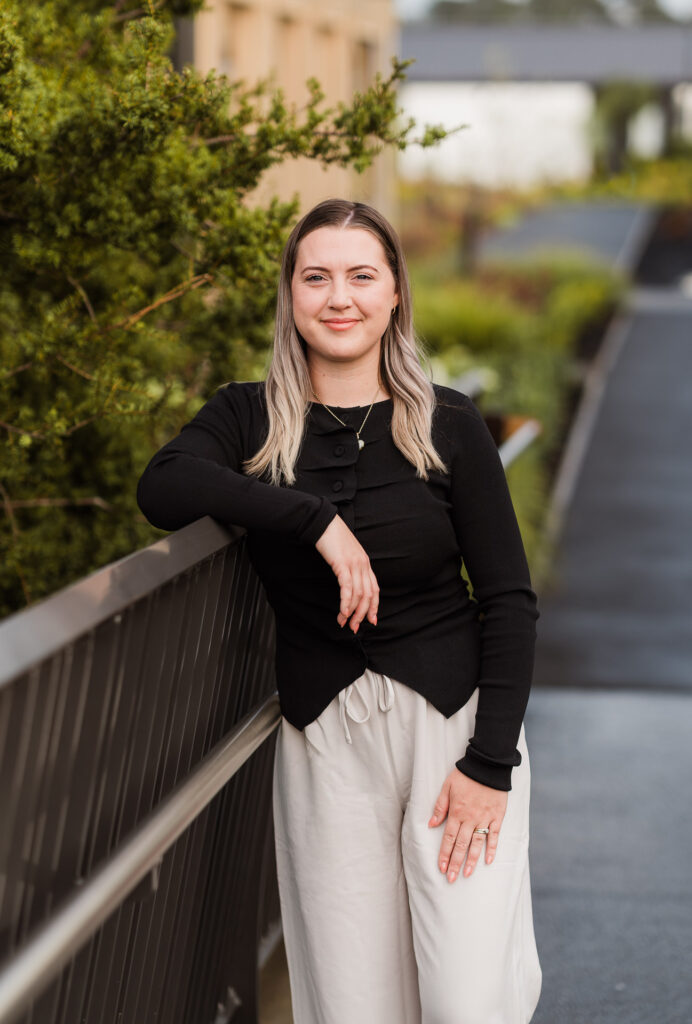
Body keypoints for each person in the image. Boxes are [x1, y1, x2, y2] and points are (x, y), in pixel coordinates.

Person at [136, 198, 542, 1024]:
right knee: (354, 1004)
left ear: (394, 293)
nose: (339, 298)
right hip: (326, 746)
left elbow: (509, 601)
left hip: (453, 736)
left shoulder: (448, 421)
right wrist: (311, 519)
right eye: (316, 277)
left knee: (467, 1002)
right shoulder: (247, 417)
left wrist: (490, 765)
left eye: (361, 276)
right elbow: (164, 486)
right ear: (291, 294)